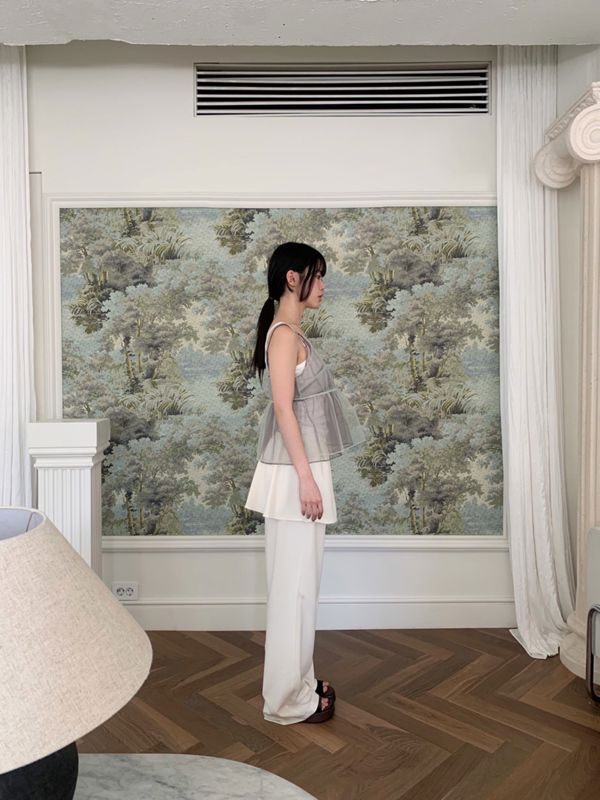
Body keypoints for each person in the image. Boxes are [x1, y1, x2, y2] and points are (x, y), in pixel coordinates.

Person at [245, 241, 366, 725]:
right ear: (293, 278)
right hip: (296, 476)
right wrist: (307, 481)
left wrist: (310, 477)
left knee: (301, 588)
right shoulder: (283, 336)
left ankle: (299, 683)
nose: (324, 286)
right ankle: (286, 701)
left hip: (302, 471)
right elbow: (282, 410)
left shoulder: (290, 331)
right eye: (318, 275)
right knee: (293, 592)